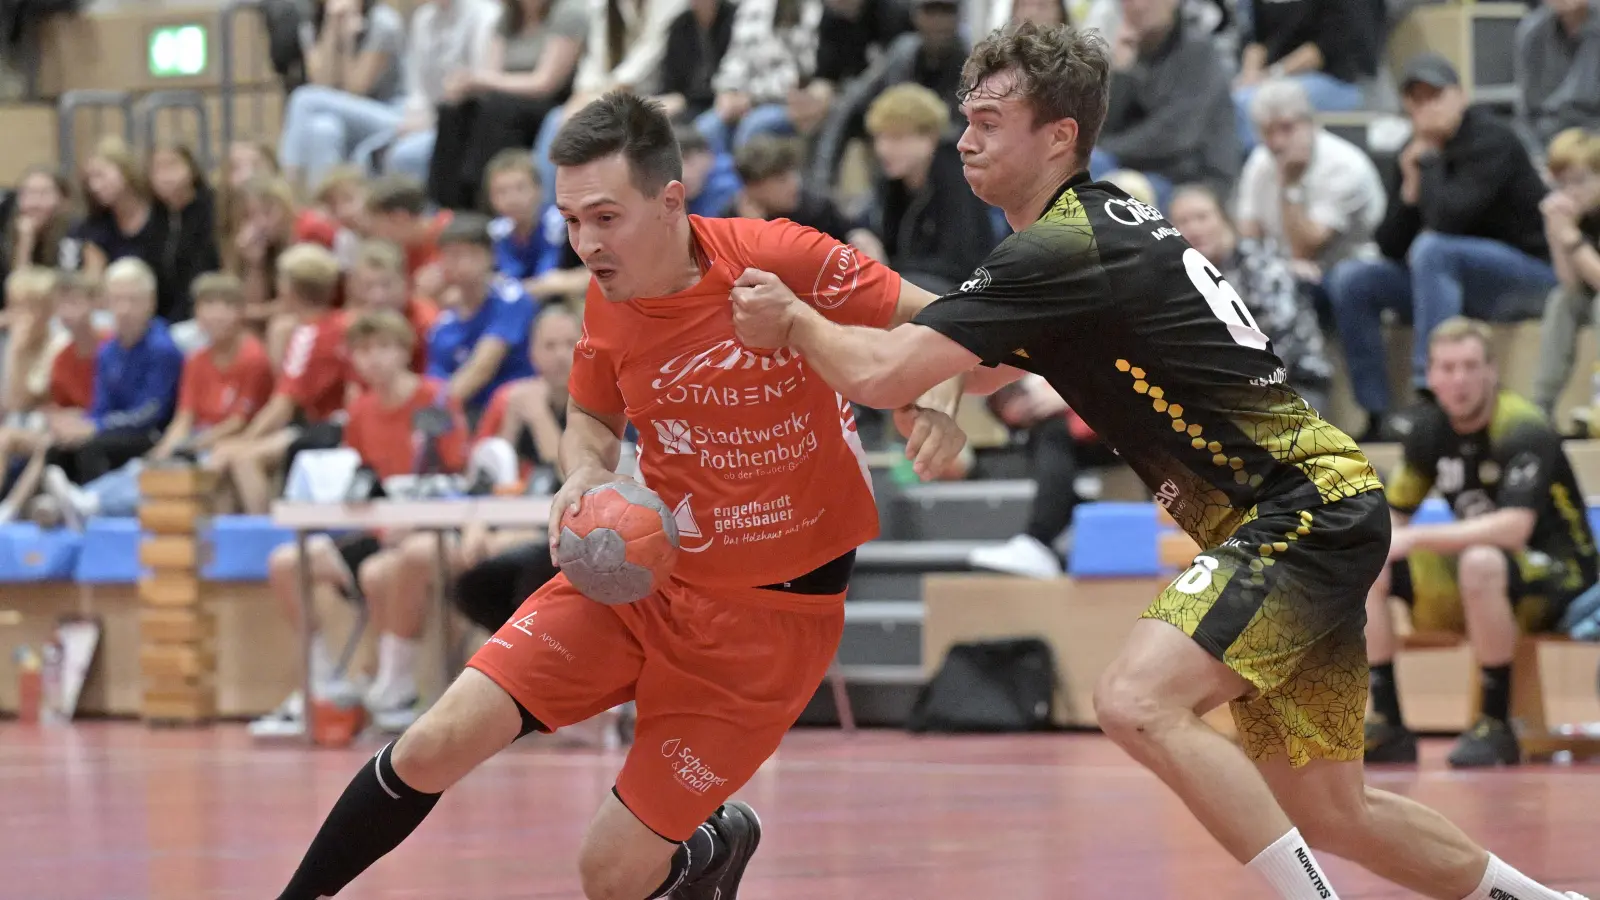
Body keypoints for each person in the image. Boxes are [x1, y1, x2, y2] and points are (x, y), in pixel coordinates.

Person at [728, 22, 1589, 900]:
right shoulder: (1085, 234)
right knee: (1335, 811)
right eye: (965, 118)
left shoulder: (1062, 245)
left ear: (1060, 134)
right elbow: (980, 364)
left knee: (1136, 701)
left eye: (990, 120)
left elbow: (878, 374)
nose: (964, 139)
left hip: (1293, 511)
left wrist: (795, 322)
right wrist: (944, 392)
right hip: (1316, 506)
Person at [271, 91, 970, 900]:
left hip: (767, 626)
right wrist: (584, 469)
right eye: (570, 220)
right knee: (434, 741)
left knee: (608, 875)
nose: (584, 243)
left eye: (605, 217)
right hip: (641, 576)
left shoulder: (775, 256)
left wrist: (941, 396)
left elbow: (950, 317)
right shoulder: (608, 293)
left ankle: (707, 845)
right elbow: (592, 414)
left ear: (670, 202)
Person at [1365, 318, 1599, 767]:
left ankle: (1496, 724)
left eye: (1470, 366)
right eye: (1447, 368)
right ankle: (1389, 722)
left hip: (1562, 576)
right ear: (1430, 376)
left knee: (1481, 561)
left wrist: (1414, 539)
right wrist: (1373, 541)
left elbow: (1514, 528)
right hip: (1484, 574)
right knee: (1371, 561)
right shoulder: (1430, 430)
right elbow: (1396, 514)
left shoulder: (1523, 427)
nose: (1459, 380)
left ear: (1492, 371)